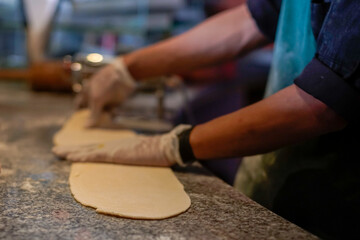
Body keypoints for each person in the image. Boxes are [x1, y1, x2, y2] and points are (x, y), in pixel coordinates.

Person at [53, 0, 360, 239]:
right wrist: (129, 67)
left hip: (339, 203)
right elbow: (248, 23)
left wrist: (175, 145)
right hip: (280, 177)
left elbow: (323, 104)